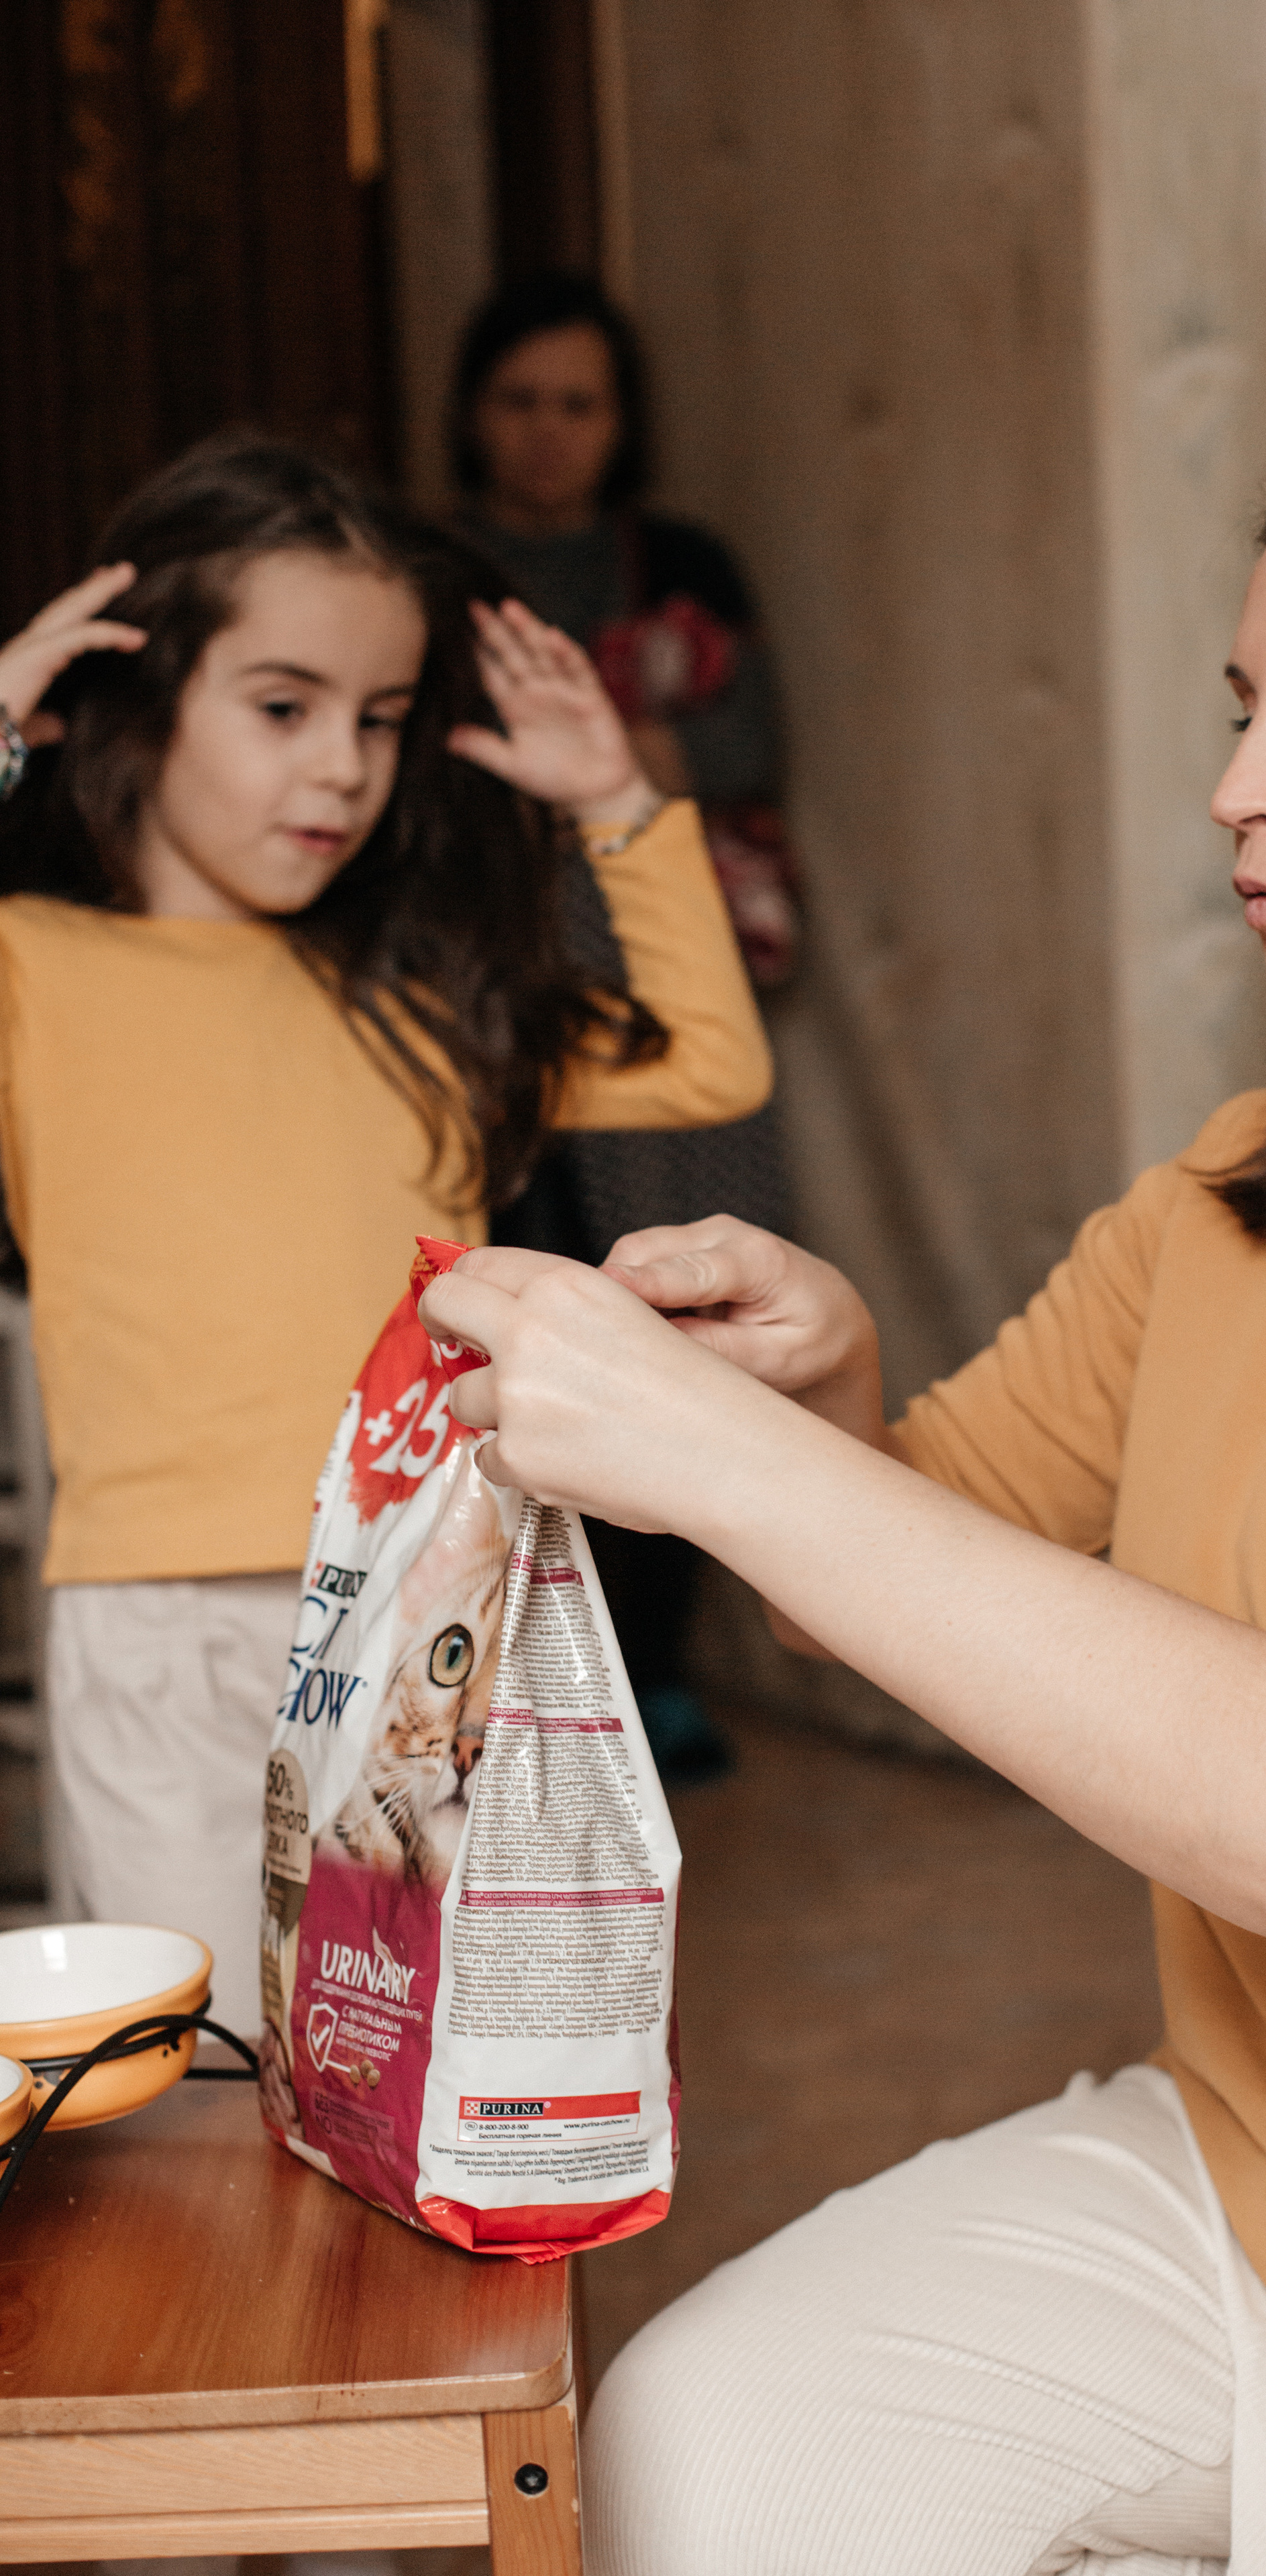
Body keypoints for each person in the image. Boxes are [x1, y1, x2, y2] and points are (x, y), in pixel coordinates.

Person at [421, 415, 1266, 2574]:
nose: (1239, 788)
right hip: (1252, 2187)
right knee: (698, 2447)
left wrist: (721, 1455)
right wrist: (826, 1398)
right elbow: (915, 1569)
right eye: (1244, 712)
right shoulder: (1232, 1195)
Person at [0, 433, 770, 2033]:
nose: (342, 768)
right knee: (186, 2081)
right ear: (139, 699)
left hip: (431, 1599)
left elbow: (712, 1059)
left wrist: (621, 799)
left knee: (433, 2058)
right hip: (161, 1621)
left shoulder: (427, 1000)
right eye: (283, 709)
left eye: (379, 720)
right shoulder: (33, 969)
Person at [453, 267, 796, 1781]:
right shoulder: (433, 569)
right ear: (474, 408)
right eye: (520, 399)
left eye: (576, 403)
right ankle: (515, 1677)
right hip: (484, 984)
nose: (546, 432)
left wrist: (596, 763)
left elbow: (745, 738)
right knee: (504, 1295)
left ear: (620, 419)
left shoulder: (684, 561)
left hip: (657, 961)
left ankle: (651, 1670)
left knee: (665, 1304)